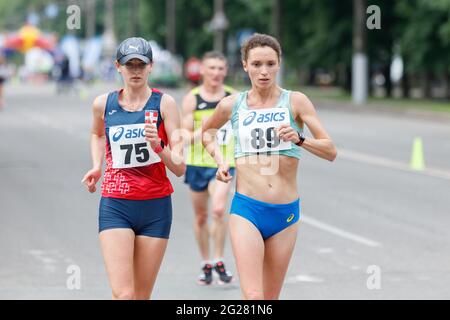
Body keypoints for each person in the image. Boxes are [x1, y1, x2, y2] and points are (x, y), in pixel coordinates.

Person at [202, 33, 337, 299]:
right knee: (253, 297)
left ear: (278, 64)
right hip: (247, 209)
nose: (263, 71)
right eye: (256, 64)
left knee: (269, 298)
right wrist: (220, 160)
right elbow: (207, 132)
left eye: (270, 64)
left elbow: (330, 150)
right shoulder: (232, 105)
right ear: (245, 65)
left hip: (285, 213)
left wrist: (299, 139)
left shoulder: (295, 101)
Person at [81, 37, 186, 300]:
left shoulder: (165, 104)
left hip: (156, 206)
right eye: (130, 65)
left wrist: (159, 146)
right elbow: (96, 134)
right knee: (124, 295)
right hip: (116, 204)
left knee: (141, 295)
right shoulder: (103, 104)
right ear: (118, 66)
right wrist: (97, 166)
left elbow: (180, 167)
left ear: (151, 66)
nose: (136, 70)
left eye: (141, 64)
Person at [182, 51, 235, 285]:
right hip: (196, 163)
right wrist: (204, 130)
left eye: (220, 68)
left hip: (223, 163)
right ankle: (205, 263)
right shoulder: (192, 98)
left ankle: (219, 259)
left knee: (218, 210)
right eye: (211, 68)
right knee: (202, 216)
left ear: (226, 71)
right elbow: (183, 135)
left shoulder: (233, 98)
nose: (216, 73)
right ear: (202, 70)